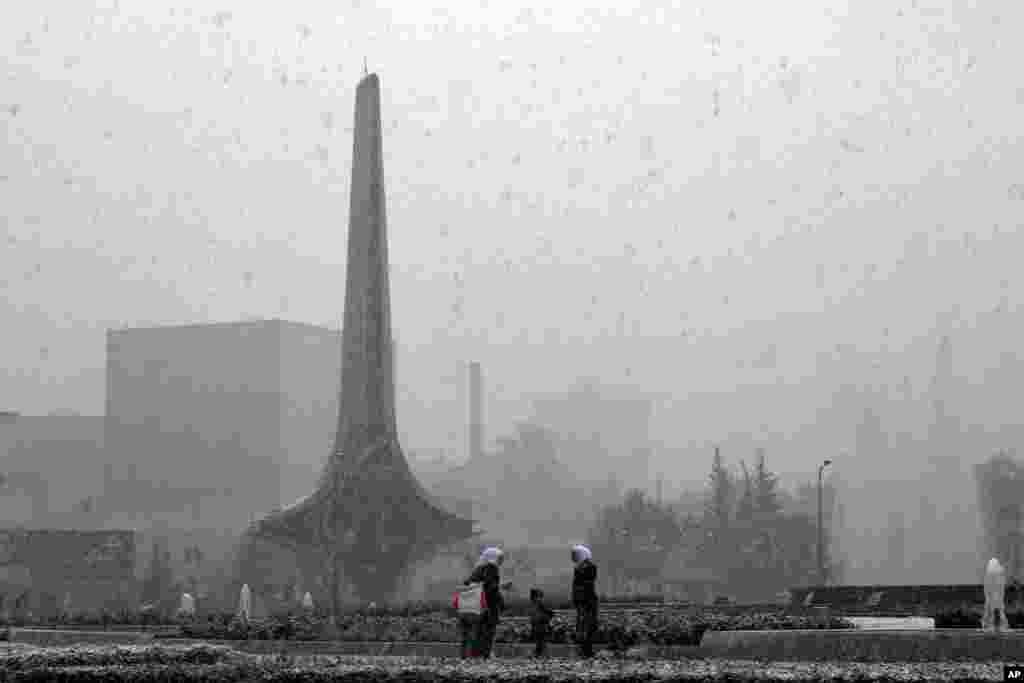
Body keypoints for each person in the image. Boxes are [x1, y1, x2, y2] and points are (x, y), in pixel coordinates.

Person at [462, 546, 507, 658]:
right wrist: (502, 596)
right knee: (488, 631)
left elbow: (467, 583)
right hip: (488, 607)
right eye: (500, 558)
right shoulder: (492, 568)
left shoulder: (478, 569)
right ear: (493, 557)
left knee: (477, 632)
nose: (501, 561)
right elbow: (491, 588)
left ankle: (474, 655)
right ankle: (485, 655)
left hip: (475, 606)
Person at [570, 543, 598, 659]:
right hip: (586, 600)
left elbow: (579, 585)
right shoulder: (585, 567)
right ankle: (586, 650)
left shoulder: (585, 568)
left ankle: (586, 650)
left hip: (585, 600)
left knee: (586, 625)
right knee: (586, 626)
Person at [529, 588, 555, 658]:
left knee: (542, 642)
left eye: (540, 597)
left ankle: (542, 655)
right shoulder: (536, 605)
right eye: (537, 597)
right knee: (540, 642)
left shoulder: (539, 605)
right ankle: (540, 655)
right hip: (538, 626)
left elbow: (550, 613)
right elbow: (534, 617)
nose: (539, 598)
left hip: (541, 626)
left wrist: (547, 618)